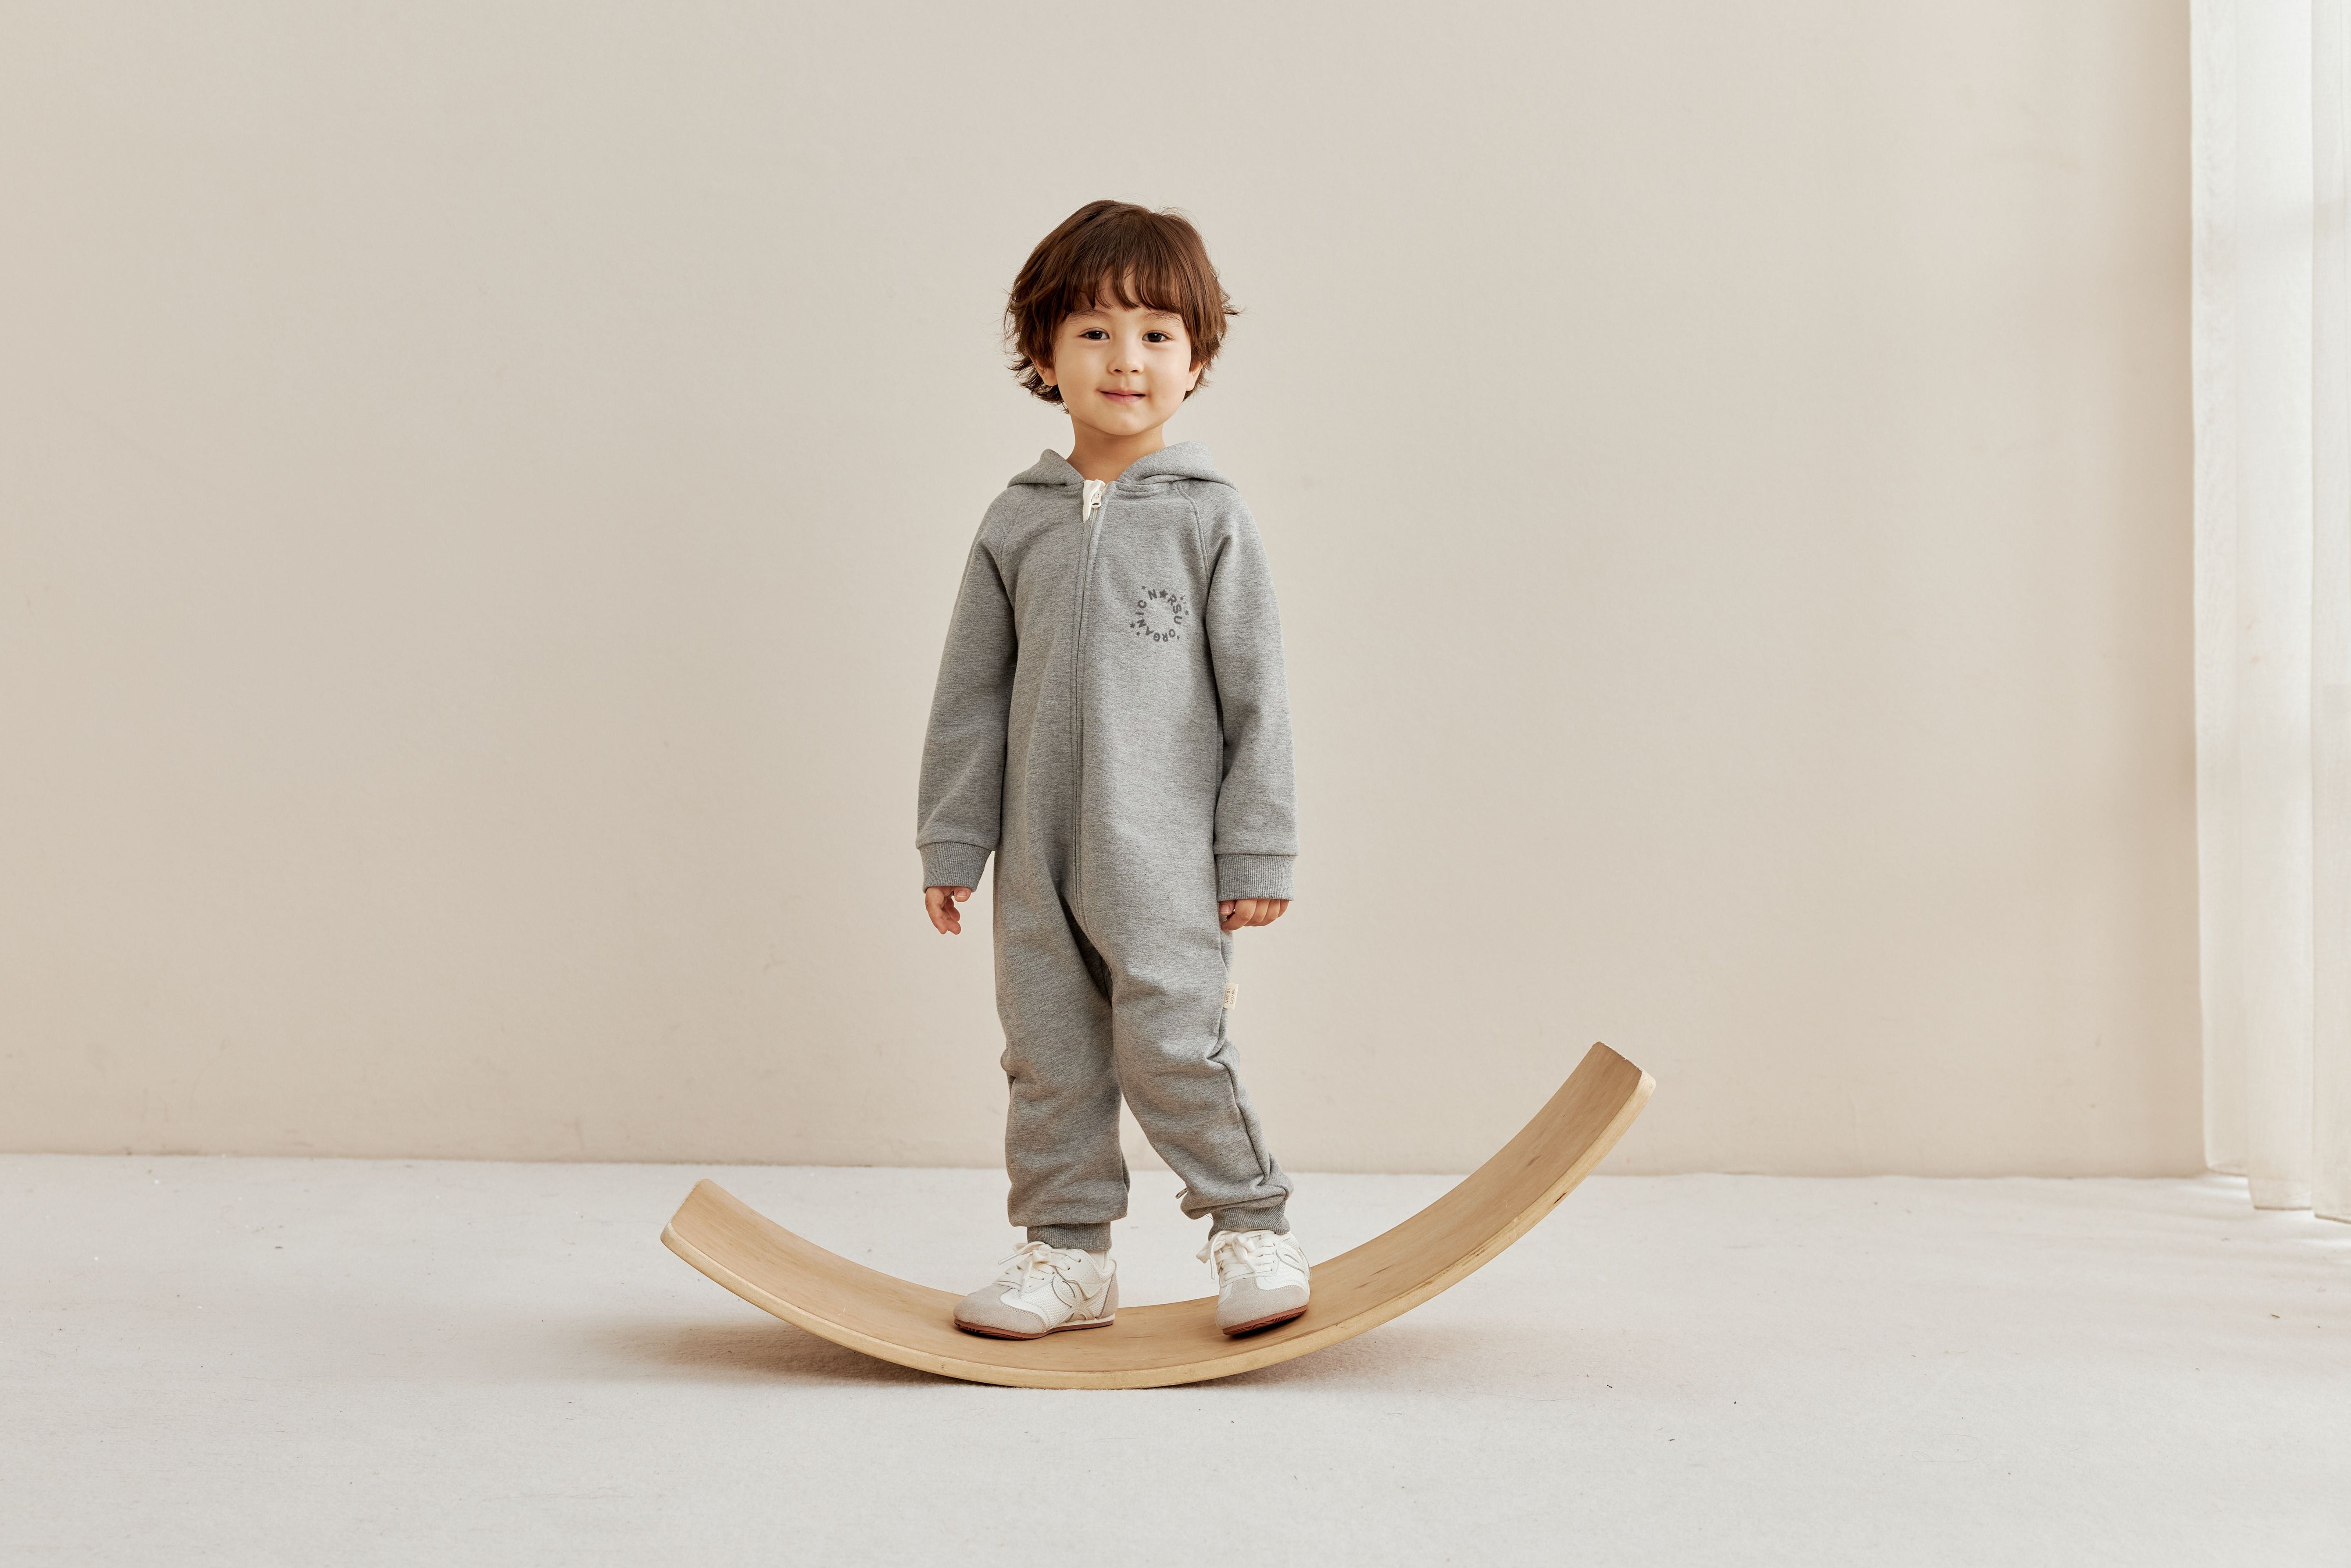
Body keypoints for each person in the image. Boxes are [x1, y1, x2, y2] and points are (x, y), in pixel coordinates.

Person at [917, 200, 1310, 1340]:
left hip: (1165, 854)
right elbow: (968, 698)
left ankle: (1251, 1224)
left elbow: (1259, 700)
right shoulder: (1016, 522)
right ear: (1044, 354)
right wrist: (954, 842)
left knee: (1177, 1040)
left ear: (1198, 357)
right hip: (1035, 858)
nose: (1124, 359)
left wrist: (1258, 847)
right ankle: (1067, 1255)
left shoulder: (1212, 520)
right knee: (1048, 1057)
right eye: (1092, 332)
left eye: (1154, 333)